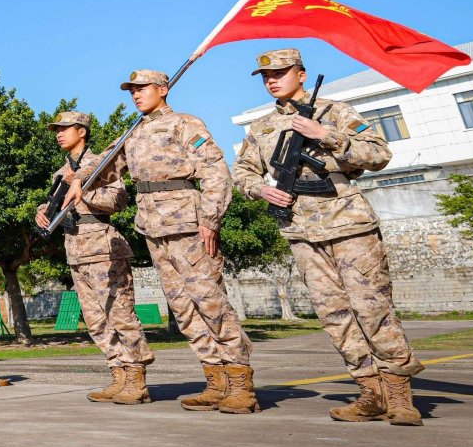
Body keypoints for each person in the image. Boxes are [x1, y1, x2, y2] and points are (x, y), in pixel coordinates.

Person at [233, 48, 422, 425]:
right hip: (301, 229)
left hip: (348, 223)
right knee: (333, 314)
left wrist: (327, 136)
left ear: (302, 74)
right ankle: (370, 391)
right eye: (266, 76)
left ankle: (400, 395)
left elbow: (379, 153)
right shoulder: (263, 126)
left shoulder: (336, 111)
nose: (272, 80)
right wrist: (261, 190)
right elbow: (242, 172)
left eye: (281, 73)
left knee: (372, 307)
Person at [112, 69, 257, 414]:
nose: (135, 94)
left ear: (163, 89)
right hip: (153, 228)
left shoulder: (183, 124)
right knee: (184, 309)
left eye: (142, 88)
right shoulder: (133, 132)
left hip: (188, 224)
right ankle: (215, 380)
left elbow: (214, 171)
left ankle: (240, 383)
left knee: (210, 302)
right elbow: (104, 169)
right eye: (131, 90)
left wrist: (210, 218)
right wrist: (74, 177)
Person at [36, 112, 153, 404]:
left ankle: (136, 377)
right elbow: (57, 204)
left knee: (120, 315)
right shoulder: (61, 173)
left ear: (82, 131)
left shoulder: (101, 162)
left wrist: (84, 194)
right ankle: (119, 374)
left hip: (103, 248)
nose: (59, 134)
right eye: (56, 130)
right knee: (96, 321)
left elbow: (118, 200)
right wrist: (44, 211)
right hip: (75, 250)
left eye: (65, 129)